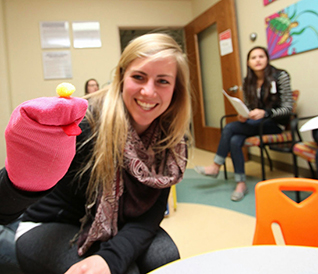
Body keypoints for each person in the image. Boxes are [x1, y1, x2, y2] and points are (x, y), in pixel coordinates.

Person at [1, 33, 192, 274]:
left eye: (163, 81)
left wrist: (111, 258)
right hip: (51, 223)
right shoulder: (86, 124)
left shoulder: (172, 142)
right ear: (122, 77)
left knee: (166, 256)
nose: (148, 91)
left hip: (117, 224)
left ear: (176, 89)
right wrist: (26, 163)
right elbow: (7, 201)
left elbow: (150, 216)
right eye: (138, 77)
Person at [195, 46, 293, 202]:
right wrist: (245, 115)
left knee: (229, 127)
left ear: (267, 59)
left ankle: (215, 166)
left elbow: (288, 108)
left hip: (274, 124)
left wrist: (265, 113)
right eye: (253, 58)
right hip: (255, 124)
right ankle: (241, 184)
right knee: (234, 139)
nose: (258, 60)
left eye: (261, 56)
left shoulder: (280, 76)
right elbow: (249, 107)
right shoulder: (248, 81)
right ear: (248, 62)